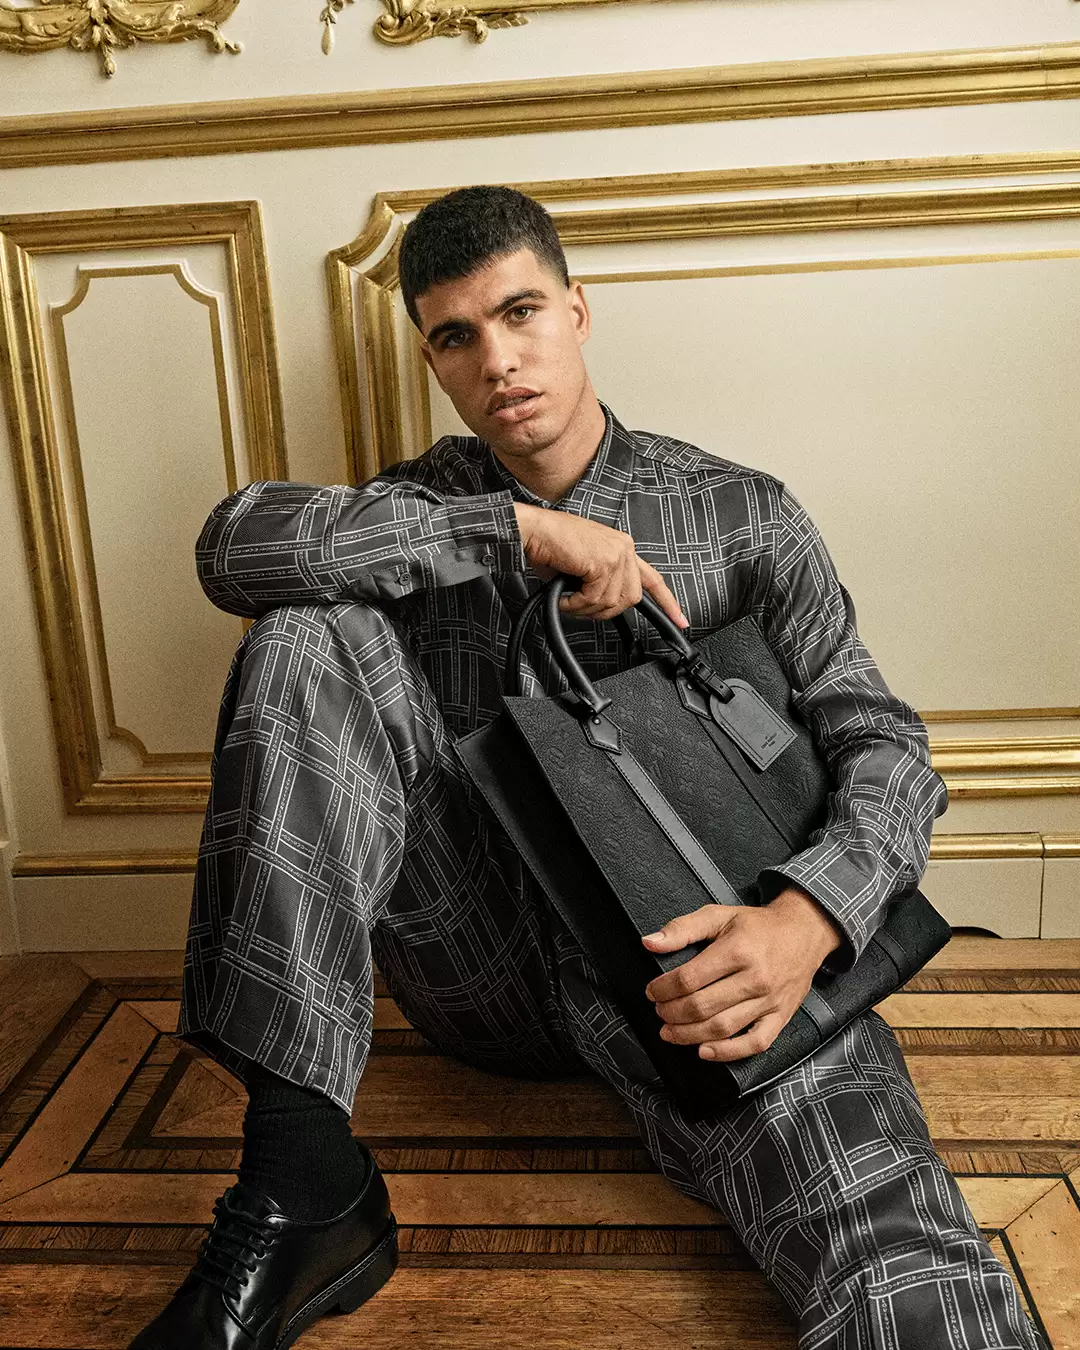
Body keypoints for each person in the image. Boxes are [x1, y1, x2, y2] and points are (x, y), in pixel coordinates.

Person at [130, 186, 1046, 1350]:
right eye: (456, 337)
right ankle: (301, 1179)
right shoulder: (420, 506)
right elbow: (233, 545)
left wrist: (809, 918)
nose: (498, 361)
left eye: (521, 314)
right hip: (479, 962)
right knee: (307, 633)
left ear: (577, 309)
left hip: (699, 958)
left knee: (895, 1254)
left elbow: (885, 743)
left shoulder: (738, 514)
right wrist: (510, 532)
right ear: (432, 359)